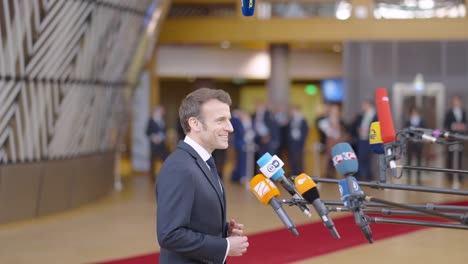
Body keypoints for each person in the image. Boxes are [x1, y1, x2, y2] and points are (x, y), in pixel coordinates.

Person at [156, 88, 249, 263]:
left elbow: (192, 219)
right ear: (195, 124)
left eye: (228, 119)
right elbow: (169, 234)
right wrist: (225, 246)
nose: (230, 128)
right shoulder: (179, 167)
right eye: (221, 120)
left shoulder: (201, 161)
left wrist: (221, 231)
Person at [444, 95, 467, 184]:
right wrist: (453, 126)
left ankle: (460, 175)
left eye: (457, 101)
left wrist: (462, 126)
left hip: (460, 138)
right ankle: (451, 176)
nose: (456, 102)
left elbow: (465, 123)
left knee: (460, 158)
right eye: (455, 101)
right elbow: (446, 124)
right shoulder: (449, 113)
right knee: (450, 158)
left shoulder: (463, 112)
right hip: (452, 139)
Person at [146, 105, 168, 181]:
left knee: (165, 159)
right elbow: (147, 132)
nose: (162, 112)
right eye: (160, 111)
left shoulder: (162, 120)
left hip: (162, 144)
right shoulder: (151, 120)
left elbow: (164, 131)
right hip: (154, 144)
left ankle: (166, 174)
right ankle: (152, 177)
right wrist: (153, 137)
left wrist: (162, 137)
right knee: (153, 161)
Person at [404, 106, 425, 185]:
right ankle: (409, 178)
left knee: (419, 161)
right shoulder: (408, 121)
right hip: (410, 143)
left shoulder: (422, 121)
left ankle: (418, 178)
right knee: (409, 161)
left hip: (419, 143)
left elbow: (424, 131)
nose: (414, 113)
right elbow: (405, 132)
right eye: (413, 112)